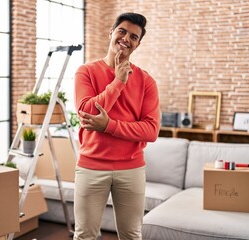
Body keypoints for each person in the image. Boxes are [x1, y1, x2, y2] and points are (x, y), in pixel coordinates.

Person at [73, 12, 161, 240]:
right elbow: (88, 113)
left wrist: (109, 125)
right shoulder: (86, 72)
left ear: (138, 44)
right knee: (84, 236)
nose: (126, 38)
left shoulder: (146, 81)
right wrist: (118, 81)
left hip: (131, 169)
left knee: (131, 235)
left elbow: (151, 131)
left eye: (133, 36)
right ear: (111, 32)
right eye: (122, 31)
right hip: (91, 166)